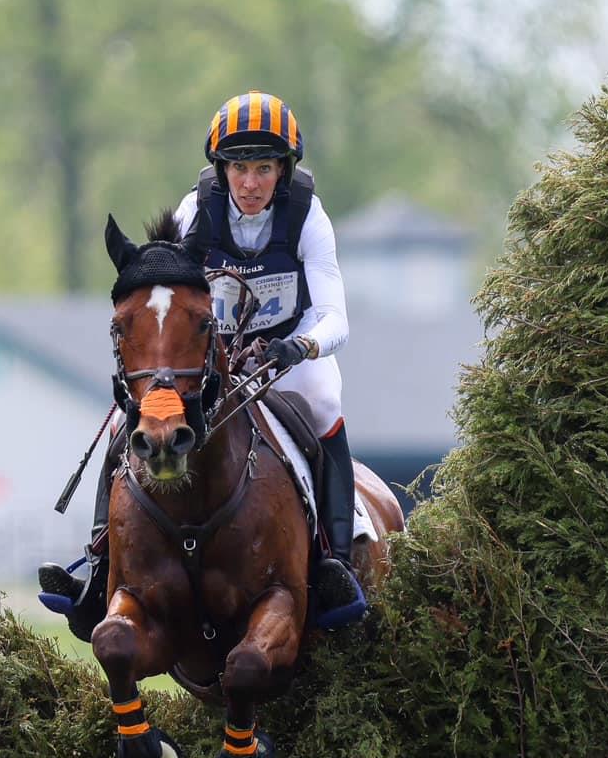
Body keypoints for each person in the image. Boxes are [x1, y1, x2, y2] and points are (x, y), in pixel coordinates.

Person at [37, 89, 370, 636]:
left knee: (326, 401)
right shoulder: (198, 208)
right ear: (222, 169)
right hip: (215, 355)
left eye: (265, 168)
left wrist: (303, 346)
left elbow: (336, 316)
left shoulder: (308, 216)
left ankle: (333, 561)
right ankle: (99, 568)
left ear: (283, 171)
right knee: (133, 421)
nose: (251, 184)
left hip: (289, 352)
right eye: (240, 169)